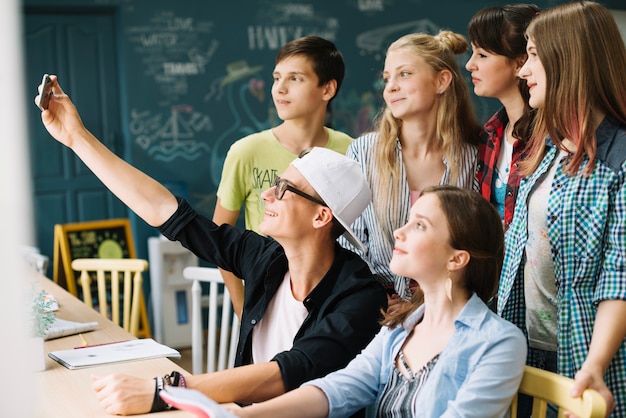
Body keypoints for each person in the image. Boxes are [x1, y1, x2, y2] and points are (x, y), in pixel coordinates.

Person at [35, 76, 387, 416]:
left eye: (284, 189)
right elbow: (168, 213)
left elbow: (289, 371)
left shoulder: (360, 296)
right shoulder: (267, 258)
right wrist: (77, 138)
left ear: (321, 216)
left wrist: (167, 389)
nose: (266, 194)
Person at [159, 186, 528, 418]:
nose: (398, 232)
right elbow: (334, 391)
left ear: (456, 259)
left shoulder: (498, 342)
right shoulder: (400, 330)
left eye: (420, 226)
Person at [498, 2, 626, 416]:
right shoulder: (548, 147)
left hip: (588, 360)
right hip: (531, 351)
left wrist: (595, 364)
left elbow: (620, 279)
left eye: (533, 55)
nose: (522, 70)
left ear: (568, 59)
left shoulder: (620, 159)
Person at [213, 35, 353, 318]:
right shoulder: (246, 151)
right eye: (277, 78)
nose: (280, 89)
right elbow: (220, 237)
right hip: (267, 298)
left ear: (327, 88)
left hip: (334, 299)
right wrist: (243, 307)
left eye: (295, 79)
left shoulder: (351, 151)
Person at [339, 31, 481, 308]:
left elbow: (476, 246)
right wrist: (377, 297)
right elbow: (348, 244)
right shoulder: (363, 152)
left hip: (449, 311)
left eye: (404, 74)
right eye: (387, 78)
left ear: (441, 80)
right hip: (375, 312)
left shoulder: (472, 158)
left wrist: (428, 302)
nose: (390, 87)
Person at [465, 3, 539, 231]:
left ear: (520, 63)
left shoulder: (550, 140)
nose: (469, 65)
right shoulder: (490, 134)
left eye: (482, 55)